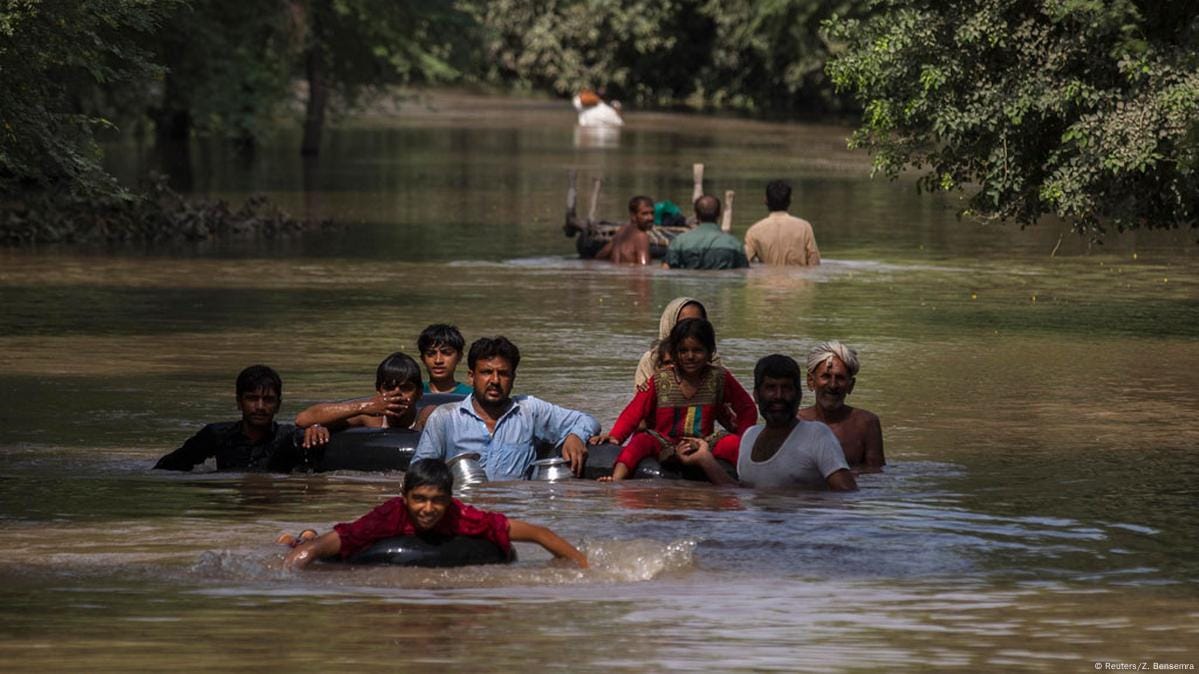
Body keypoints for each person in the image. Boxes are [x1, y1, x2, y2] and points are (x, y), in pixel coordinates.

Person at [281, 459, 588, 569]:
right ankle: (300, 534)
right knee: (311, 542)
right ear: (404, 497)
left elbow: (537, 533)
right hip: (358, 546)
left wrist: (584, 566)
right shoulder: (388, 516)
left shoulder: (462, 516)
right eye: (419, 499)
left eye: (437, 501)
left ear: (450, 499)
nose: (428, 509)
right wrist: (285, 571)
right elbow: (323, 548)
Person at [591, 318, 756, 481]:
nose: (690, 356)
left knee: (734, 444)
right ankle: (615, 480)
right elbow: (634, 411)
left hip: (704, 443)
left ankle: (751, 481)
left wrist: (743, 438)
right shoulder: (661, 379)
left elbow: (746, 408)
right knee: (640, 441)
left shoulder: (720, 377)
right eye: (683, 351)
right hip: (664, 442)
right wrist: (615, 437)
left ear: (710, 351)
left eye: (697, 350)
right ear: (675, 352)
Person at [413, 337, 600, 480]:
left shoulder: (529, 410)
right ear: (471, 377)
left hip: (514, 513)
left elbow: (586, 420)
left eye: (503, 374)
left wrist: (575, 436)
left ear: (513, 378)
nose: (494, 381)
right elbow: (418, 472)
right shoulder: (445, 417)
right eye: (486, 372)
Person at [682, 355, 857, 490]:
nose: (778, 397)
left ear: (799, 395)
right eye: (771, 388)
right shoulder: (749, 437)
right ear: (756, 396)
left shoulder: (817, 435)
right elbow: (742, 494)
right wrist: (705, 460)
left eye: (786, 388)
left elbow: (846, 495)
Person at [154, 365, 319, 472]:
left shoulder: (290, 438)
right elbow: (165, 469)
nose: (260, 406)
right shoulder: (217, 435)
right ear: (239, 402)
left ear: (278, 405)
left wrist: (318, 429)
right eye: (252, 398)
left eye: (268, 400)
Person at [294, 352, 433, 442]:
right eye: (389, 388)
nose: (396, 395)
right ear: (378, 392)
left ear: (420, 393)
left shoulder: (426, 416)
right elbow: (302, 419)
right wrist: (319, 426)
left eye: (406, 388)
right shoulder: (370, 418)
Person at [798, 341, 885, 471]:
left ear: (851, 385)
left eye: (840, 378)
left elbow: (875, 475)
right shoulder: (795, 421)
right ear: (811, 381)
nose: (833, 385)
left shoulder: (866, 423)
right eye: (826, 376)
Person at [633, 297, 724, 389]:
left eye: (697, 323)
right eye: (684, 324)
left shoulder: (712, 359)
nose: (691, 328)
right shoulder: (652, 359)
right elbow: (642, 398)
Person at [743, 180, 821, 266]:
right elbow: (815, 263)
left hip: (767, 278)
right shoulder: (804, 227)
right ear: (790, 200)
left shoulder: (754, 231)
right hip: (798, 278)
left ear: (765, 200)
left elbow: (744, 262)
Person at [663, 195, 749, 270]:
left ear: (696, 215)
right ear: (719, 214)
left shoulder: (679, 242)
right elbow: (744, 272)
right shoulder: (734, 244)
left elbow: (666, 269)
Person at [595, 195, 654, 265]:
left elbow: (599, 257)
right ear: (633, 216)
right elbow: (644, 268)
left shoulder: (621, 232)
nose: (650, 218)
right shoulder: (641, 237)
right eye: (645, 214)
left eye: (652, 213)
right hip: (631, 275)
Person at [417, 324, 473, 395]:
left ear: (459, 357)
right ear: (422, 359)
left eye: (446, 353)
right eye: (431, 353)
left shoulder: (470, 396)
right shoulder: (414, 393)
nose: (438, 360)